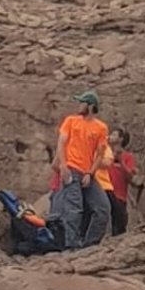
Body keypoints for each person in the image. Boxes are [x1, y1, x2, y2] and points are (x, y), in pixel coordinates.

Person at [48, 90, 111, 249]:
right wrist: (63, 166)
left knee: (103, 208)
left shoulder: (101, 128)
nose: (78, 105)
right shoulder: (70, 121)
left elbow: (99, 154)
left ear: (90, 106)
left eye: (81, 102)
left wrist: (90, 173)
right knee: (74, 208)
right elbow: (61, 144)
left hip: (87, 172)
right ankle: (72, 245)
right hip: (71, 168)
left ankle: (90, 244)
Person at [107, 127, 137, 236]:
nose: (110, 136)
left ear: (121, 139)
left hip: (120, 196)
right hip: (106, 192)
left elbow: (130, 177)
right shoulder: (106, 153)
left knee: (119, 226)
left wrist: (121, 162)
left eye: (114, 135)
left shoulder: (128, 157)